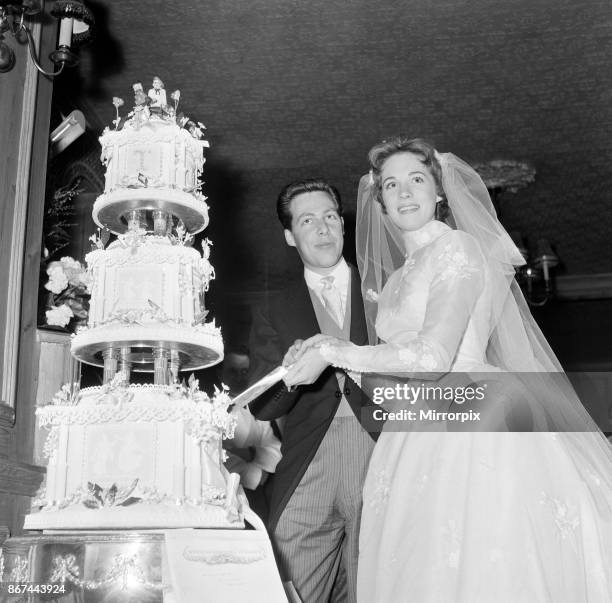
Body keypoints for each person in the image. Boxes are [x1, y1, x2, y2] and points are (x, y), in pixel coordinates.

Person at [284, 138, 612, 601]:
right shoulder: (396, 280)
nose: (403, 193)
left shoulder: (457, 247)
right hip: (415, 423)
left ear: (438, 192)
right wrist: (319, 351)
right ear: (380, 202)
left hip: (472, 416)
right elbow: (392, 368)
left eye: (415, 179)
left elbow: (434, 358)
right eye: (391, 184)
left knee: (479, 563)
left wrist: (338, 352)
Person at [249, 178, 380, 603]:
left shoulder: (385, 291)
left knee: (381, 582)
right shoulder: (273, 307)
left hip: (383, 452)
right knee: (290, 587)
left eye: (329, 216)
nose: (323, 228)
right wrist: (288, 376)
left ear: (342, 224)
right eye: (308, 220)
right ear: (290, 235)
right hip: (308, 462)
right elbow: (261, 407)